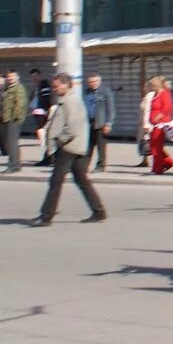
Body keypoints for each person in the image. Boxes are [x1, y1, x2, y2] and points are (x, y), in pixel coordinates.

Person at [30, 74, 107, 227]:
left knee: (55, 182)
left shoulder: (70, 102)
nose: (54, 89)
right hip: (75, 146)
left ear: (66, 85)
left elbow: (72, 128)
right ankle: (99, 211)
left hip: (68, 148)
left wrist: (59, 141)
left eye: (56, 86)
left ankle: (46, 217)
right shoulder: (67, 100)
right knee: (82, 180)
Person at [83, 74, 114, 172]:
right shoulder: (86, 92)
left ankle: (101, 165)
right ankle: (84, 166)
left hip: (101, 123)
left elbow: (111, 109)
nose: (93, 84)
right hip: (88, 123)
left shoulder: (105, 91)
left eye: (95, 81)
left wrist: (108, 123)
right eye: (91, 82)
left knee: (101, 146)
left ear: (99, 81)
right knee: (88, 146)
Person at [146, 76, 173, 175]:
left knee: (155, 147)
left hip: (161, 124)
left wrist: (158, 117)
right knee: (154, 146)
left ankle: (157, 168)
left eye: (152, 85)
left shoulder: (164, 93)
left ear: (156, 85)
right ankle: (167, 162)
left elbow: (167, 107)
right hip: (155, 124)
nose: (151, 87)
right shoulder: (156, 94)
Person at [2, 69, 25, 172]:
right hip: (7, 118)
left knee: (11, 143)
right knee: (11, 143)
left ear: (17, 77)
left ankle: (13, 165)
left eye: (12, 76)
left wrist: (15, 118)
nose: (10, 78)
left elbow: (20, 104)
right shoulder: (8, 88)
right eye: (9, 76)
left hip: (13, 119)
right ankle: (16, 164)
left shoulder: (18, 88)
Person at [29, 68, 52, 164]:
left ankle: (48, 158)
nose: (34, 78)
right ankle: (48, 157)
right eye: (32, 77)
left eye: (36, 76)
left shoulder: (44, 84)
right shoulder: (37, 87)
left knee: (46, 136)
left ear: (40, 75)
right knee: (44, 137)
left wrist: (47, 110)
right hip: (37, 113)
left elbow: (46, 98)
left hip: (43, 114)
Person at [137, 79, 156, 168]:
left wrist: (146, 123)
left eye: (146, 86)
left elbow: (147, 110)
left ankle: (153, 161)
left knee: (147, 142)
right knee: (144, 142)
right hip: (143, 122)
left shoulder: (150, 95)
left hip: (147, 123)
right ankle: (145, 160)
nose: (144, 88)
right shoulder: (147, 96)